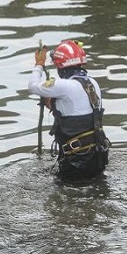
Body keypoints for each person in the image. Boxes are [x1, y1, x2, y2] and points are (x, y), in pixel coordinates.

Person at [27, 40, 111, 181]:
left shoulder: (63, 85)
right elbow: (72, 110)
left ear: (60, 66)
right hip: (98, 156)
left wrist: (39, 65)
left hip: (76, 161)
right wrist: (49, 101)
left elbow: (32, 86)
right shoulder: (93, 83)